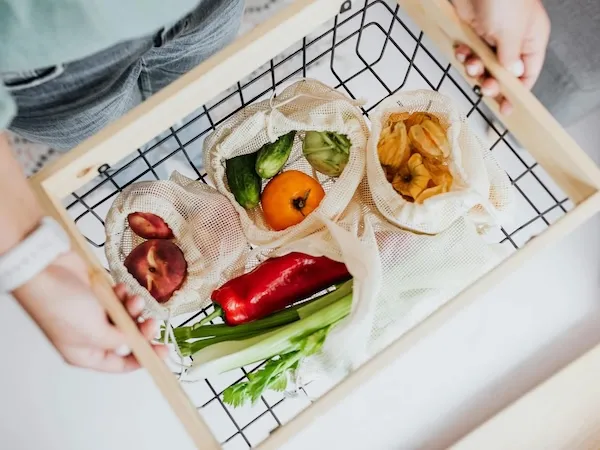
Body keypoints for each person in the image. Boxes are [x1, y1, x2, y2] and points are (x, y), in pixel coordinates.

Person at [0, 0, 551, 373]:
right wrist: (29, 266)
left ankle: (166, 124)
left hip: (200, 8)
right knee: (102, 127)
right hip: (52, 60)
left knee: (191, 74)